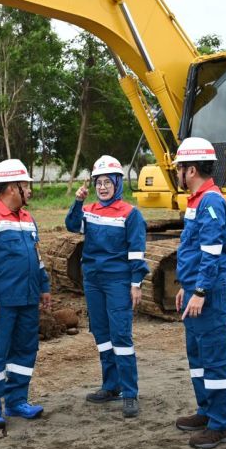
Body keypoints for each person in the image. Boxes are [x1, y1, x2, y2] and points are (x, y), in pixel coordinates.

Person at [0, 158, 52, 434]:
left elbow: (37, 259)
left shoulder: (28, 219)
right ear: (11, 188)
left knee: (25, 351)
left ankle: (17, 401)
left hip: (28, 299)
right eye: (25, 184)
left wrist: (44, 287)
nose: (29, 189)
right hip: (1, 303)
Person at [64, 155, 149, 418]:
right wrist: (78, 201)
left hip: (118, 281)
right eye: (98, 182)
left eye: (107, 182)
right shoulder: (89, 210)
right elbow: (71, 226)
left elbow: (136, 251)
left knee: (121, 336)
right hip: (93, 281)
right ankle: (110, 386)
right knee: (102, 334)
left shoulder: (130, 213)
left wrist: (136, 283)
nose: (102, 187)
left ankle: (129, 393)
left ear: (117, 183)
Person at [172, 137, 226, 449]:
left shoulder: (210, 202)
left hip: (208, 291)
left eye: (179, 168)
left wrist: (199, 291)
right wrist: (186, 288)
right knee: (197, 356)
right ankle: (207, 410)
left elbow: (211, 253)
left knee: (214, 358)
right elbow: (192, 250)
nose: (177, 174)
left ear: (191, 169)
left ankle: (221, 425)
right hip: (195, 289)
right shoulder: (197, 200)